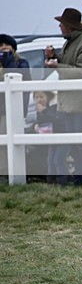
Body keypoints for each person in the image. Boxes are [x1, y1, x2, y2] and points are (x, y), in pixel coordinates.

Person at [45, 8, 82, 185]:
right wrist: (56, 58)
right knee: (74, 141)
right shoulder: (72, 42)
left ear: (69, 26)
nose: (60, 27)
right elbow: (71, 64)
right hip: (70, 100)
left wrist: (58, 67)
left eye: (62, 24)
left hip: (81, 101)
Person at [0, 34, 31, 179]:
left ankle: (10, 172)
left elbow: (17, 78)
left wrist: (8, 62)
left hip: (11, 110)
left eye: (7, 45)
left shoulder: (21, 63)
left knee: (11, 143)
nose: (4, 47)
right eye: (1, 46)